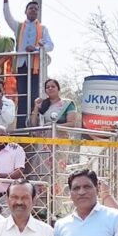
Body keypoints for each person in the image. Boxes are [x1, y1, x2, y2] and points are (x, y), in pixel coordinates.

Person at [3, 0, 54, 128]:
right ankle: (21, 126)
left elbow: (50, 45)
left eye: (36, 9)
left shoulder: (43, 29)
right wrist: (6, 0)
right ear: (25, 11)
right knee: (22, 96)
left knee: (34, 96)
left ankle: (33, 125)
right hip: (21, 65)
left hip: (35, 67)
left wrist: (36, 49)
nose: (33, 10)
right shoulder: (19, 27)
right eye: (31, 8)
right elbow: (7, 17)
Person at [28, 79, 78, 211]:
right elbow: (33, 124)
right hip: (43, 145)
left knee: (57, 174)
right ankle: (41, 208)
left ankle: (55, 208)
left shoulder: (67, 104)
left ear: (58, 89)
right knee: (41, 173)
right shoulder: (44, 105)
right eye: (48, 87)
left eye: (53, 86)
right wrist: (36, 107)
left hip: (59, 144)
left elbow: (72, 123)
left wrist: (53, 127)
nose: (50, 88)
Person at [0, 126, 26, 211]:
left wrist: (0, 176)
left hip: (9, 195)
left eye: (2, 135)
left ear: (8, 135)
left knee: (8, 218)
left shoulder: (16, 149)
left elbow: (19, 172)